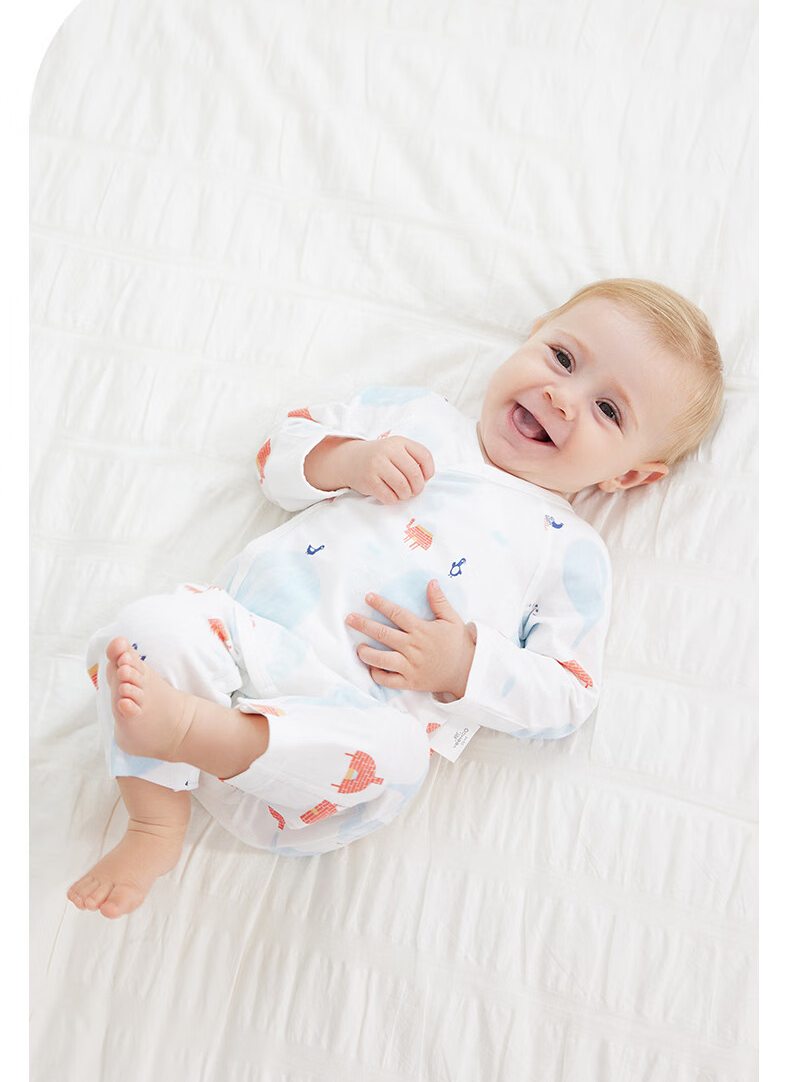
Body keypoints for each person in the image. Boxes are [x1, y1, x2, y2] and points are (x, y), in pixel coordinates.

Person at [66, 278, 724, 918]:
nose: (562, 397)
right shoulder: (416, 417)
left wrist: (462, 666)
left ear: (630, 476)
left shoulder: (570, 550)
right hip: (238, 645)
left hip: (327, 753)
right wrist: (348, 460)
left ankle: (194, 733)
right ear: (532, 335)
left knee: (400, 752)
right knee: (149, 626)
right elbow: (279, 449)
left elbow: (569, 693)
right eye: (562, 358)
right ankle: (154, 824)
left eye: (609, 410)